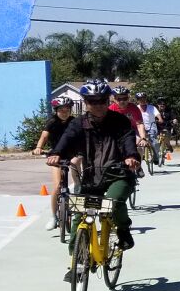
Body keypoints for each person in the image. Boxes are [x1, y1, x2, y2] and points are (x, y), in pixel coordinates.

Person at [46, 80, 140, 268]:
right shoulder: (78, 124)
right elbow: (66, 140)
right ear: (85, 102)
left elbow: (128, 139)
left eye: (101, 101)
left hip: (118, 174)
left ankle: (123, 230)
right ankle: (76, 262)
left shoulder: (119, 121)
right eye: (92, 101)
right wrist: (56, 153)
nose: (97, 105)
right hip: (91, 177)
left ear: (108, 101)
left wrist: (131, 156)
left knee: (113, 202)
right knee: (79, 215)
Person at [32, 97, 78, 229]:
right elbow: (44, 136)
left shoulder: (74, 122)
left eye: (67, 110)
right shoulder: (52, 122)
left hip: (72, 154)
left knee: (77, 169)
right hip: (56, 156)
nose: (64, 112)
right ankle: (54, 217)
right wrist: (39, 147)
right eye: (61, 110)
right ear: (56, 110)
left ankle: (78, 186)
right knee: (57, 186)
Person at [110, 86, 147, 153]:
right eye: (119, 99)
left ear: (128, 98)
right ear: (114, 99)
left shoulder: (134, 108)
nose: (122, 101)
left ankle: (137, 162)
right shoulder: (111, 109)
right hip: (117, 131)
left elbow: (139, 124)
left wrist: (143, 138)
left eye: (125, 98)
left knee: (139, 148)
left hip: (132, 130)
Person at [135, 92, 162, 166]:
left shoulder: (152, 107)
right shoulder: (135, 108)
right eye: (140, 99)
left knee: (155, 143)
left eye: (144, 98)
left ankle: (156, 156)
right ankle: (138, 161)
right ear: (137, 100)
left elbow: (157, 114)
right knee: (136, 144)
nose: (142, 100)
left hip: (151, 127)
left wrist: (160, 119)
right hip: (139, 128)